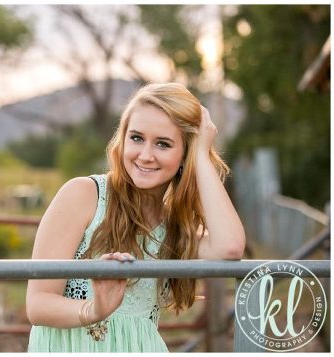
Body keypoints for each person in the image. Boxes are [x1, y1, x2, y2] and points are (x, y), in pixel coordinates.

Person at [26, 83, 245, 352]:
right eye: (137, 138)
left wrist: (200, 155)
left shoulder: (175, 226)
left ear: (184, 155)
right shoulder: (84, 195)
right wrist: (94, 310)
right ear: (123, 139)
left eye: (163, 144)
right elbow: (37, 304)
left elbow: (230, 247)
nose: (145, 155)